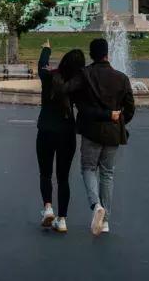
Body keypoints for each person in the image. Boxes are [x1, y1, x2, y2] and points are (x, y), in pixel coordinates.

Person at [67, 38, 136, 237]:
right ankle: (105, 221)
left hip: (91, 130)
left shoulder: (85, 74)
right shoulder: (122, 78)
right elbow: (130, 108)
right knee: (107, 173)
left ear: (91, 54)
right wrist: (120, 122)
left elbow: (73, 95)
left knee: (88, 168)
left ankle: (96, 205)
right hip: (113, 131)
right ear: (107, 54)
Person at [36, 40, 86, 233]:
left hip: (46, 129)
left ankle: (48, 207)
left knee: (45, 173)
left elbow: (41, 65)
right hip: (67, 132)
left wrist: (46, 49)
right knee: (63, 178)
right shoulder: (77, 84)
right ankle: (62, 219)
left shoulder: (48, 77)